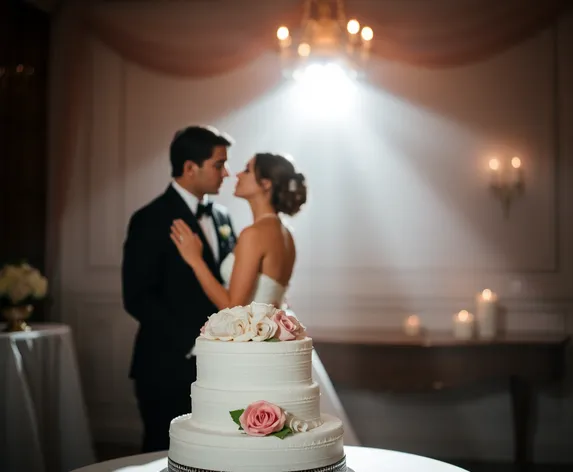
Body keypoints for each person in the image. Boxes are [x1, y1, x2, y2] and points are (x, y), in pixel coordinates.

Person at [170, 152, 361, 445]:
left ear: (266, 184)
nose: (236, 175)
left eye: (247, 170)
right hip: (274, 348)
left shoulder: (254, 234)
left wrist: (195, 260)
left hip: (254, 354)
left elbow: (232, 306)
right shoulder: (286, 235)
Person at [121, 125, 237, 453]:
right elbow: (137, 297)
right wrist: (193, 340)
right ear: (190, 168)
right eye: (218, 164)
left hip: (221, 368)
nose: (226, 173)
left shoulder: (224, 216)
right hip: (166, 365)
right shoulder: (150, 218)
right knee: (164, 451)